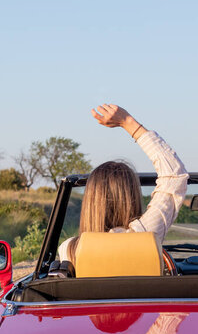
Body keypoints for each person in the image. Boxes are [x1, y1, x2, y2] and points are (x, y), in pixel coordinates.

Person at [58, 104, 188, 264]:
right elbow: (174, 176)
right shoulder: (145, 234)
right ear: (131, 197)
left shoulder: (68, 249)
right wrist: (128, 122)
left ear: (90, 202)